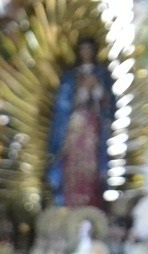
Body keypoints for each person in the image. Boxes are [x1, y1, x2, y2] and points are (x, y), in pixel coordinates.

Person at [47, 36, 115, 209]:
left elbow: (109, 103)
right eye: (83, 50)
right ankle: (67, 200)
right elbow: (62, 104)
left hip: (93, 125)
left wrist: (97, 89)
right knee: (71, 162)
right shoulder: (71, 76)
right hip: (73, 126)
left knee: (91, 163)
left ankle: (92, 201)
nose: (86, 53)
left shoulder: (101, 75)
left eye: (89, 50)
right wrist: (81, 92)